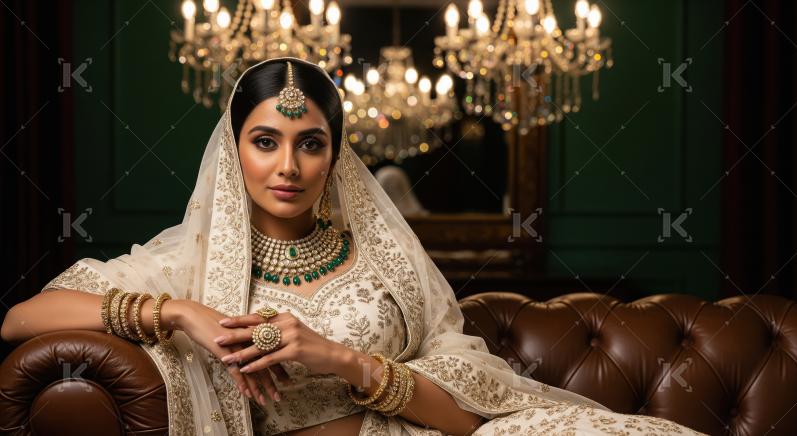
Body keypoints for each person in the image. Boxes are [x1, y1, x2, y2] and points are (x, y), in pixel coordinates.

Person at [1, 57, 706, 436]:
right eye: (266, 142)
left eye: (311, 144)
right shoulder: (183, 267)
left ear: (335, 157)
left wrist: (334, 357)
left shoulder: (383, 258)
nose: (288, 167)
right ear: (233, 152)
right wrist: (184, 315)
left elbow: (462, 419)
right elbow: (21, 319)